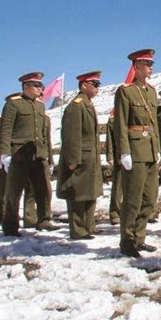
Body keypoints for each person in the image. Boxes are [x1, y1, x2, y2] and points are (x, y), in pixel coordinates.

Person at [114, 49, 161, 257]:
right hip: (134, 150)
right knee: (132, 199)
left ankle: (139, 237)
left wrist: (157, 149)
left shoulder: (151, 91)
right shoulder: (125, 91)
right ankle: (127, 241)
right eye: (146, 63)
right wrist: (124, 151)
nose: (151, 66)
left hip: (150, 150)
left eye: (151, 63)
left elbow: (155, 124)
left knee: (150, 198)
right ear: (135, 66)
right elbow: (121, 123)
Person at [0, 72, 58, 236]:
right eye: (37, 85)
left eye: (42, 86)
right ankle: (10, 226)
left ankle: (44, 220)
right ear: (26, 86)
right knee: (14, 192)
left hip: (38, 155)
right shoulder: (13, 104)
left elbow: (44, 135)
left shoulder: (40, 105)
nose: (41, 89)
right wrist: (5, 153)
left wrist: (49, 157)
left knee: (44, 189)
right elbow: (6, 130)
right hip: (19, 154)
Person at [56, 71, 103, 240]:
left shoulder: (87, 104)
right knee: (77, 194)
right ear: (84, 85)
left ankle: (88, 227)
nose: (98, 87)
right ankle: (78, 230)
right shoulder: (76, 105)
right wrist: (73, 159)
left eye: (99, 84)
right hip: (80, 158)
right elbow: (71, 135)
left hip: (90, 158)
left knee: (90, 193)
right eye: (95, 84)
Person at [0, 104, 37, 226]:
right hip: (5, 157)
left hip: (19, 157)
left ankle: (26, 216)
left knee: (26, 188)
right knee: (2, 188)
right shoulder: (2, 119)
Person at [105, 108, 122, 225]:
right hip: (119, 156)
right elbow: (109, 140)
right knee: (118, 186)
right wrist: (110, 156)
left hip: (137, 154)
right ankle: (115, 213)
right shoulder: (113, 119)